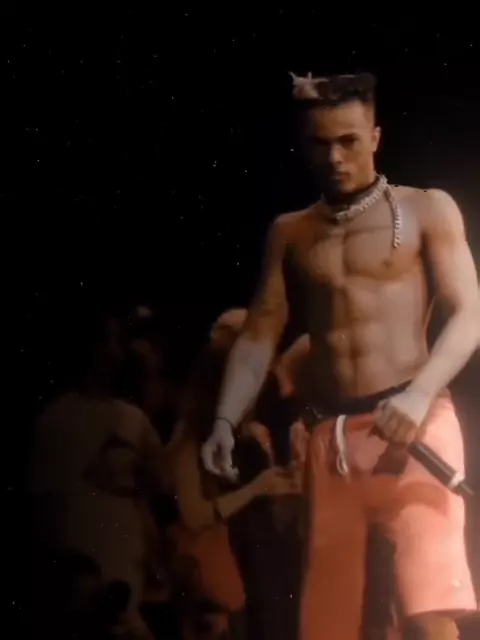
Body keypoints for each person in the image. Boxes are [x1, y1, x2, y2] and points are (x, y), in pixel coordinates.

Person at [201, 73, 479, 639]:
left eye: (348, 141)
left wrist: (420, 393)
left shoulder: (426, 209)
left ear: (375, 137)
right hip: (334, 438)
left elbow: (471, 312)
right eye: (320, 143)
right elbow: (259, 334)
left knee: (428, 605)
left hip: (416, 425)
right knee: (330, 620)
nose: (334, 156)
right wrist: (226, 418)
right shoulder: (292, 233)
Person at [30, 311, 166, 639]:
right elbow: (45, 506)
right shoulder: (57, 417)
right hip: (79, 580)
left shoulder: (133, 418)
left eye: (115, 341)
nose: (110, 350)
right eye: (103, 340)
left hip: (126, 566)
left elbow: (157, 484)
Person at [169, 308, 299, 640]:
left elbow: (275, 509)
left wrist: (289, 487)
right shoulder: (191, 437)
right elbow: (193, 513)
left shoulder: (255, 434)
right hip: (227, 573)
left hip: (266, 564)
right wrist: (257, 489)